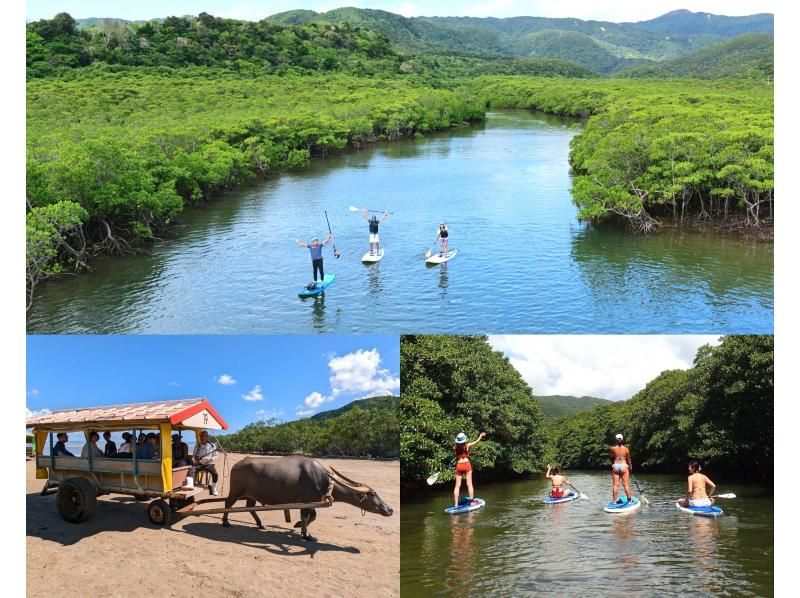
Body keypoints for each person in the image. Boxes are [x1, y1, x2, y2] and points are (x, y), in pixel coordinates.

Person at [453, 431, 486, 508]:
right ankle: (471, 502)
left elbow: (456, 454)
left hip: (459, 465)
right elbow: (476, 442)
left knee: (457, 486)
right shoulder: (467, 445)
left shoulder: (455, 448)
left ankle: (456, 504)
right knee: (469, 484)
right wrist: (480, 436)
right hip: (466, 464)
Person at [182, 430, 219, 496]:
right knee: (192, 469)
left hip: (208, 464)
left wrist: (210, 459)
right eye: (201, 436)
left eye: (204, 436)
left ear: (207, 437)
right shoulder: (197, 445)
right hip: (199, 464)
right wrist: (193, 460)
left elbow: (216, 455)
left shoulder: (212, 445)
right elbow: (193, 456)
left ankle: (214, 488)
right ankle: (190, 484)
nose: (202, 438)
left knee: (215, 474)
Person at [610, 433, 633, 504]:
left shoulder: (612, 449)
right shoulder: (626, 449)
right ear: (622, 440)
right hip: (624, 466)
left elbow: (611, 457)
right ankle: (629, 501)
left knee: (615, 485)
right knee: (626, 484)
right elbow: (629, 460)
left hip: (616, 466)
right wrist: (630, 467)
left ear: (616, 440)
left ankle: (614, 501)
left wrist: (613, 464)